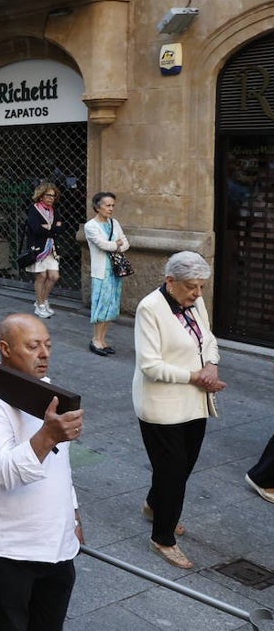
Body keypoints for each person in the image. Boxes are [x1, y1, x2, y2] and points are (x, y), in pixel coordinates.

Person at [0, 313, 84, 631]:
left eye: (48, 345)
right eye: (33, 346)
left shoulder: (47, 391)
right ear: (5, 348)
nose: (44, 354)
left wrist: (73, 515)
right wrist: (48, 435)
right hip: (10, 547)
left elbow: (62, 465)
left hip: (56, 543)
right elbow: (5, 472)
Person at [133, 251, 225, 570]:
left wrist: (211, 364)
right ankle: (163, 538)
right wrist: (195, 376)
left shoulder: (194, 302)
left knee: (183, 466)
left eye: (201, 287)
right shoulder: (150, 309)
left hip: (195, 400)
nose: (198, 294)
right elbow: (150, 365)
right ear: (170, 281)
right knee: (172, 471)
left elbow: (207, 339)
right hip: (161, 404)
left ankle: (155, 505)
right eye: (191, 287)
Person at [84, 191, 130, 356]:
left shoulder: (114, 223)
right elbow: (102, 244)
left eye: (112, 205)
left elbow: (126, 243)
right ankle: (96, 340)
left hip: (116, 270)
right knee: (102, 305)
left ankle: (103, 340)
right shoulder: (90, 226)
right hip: (101, 271)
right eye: (107, 205)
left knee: (112, 306)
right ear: (97, 207)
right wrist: (115, 244)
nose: (111, 209)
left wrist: (116, 244)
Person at [24, 182, 63, 319]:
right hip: (38, 249)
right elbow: (35, 228)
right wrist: (51, 229)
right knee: (41, 276)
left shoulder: (55, 211)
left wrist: (49, 228)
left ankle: (43, 300)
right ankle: (40, 305)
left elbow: (59, 229)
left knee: (54, 276)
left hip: (52, 249)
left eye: (54, 196)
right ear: (41, 196)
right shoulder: (34, 209)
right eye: (49, 195)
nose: (52, 198)